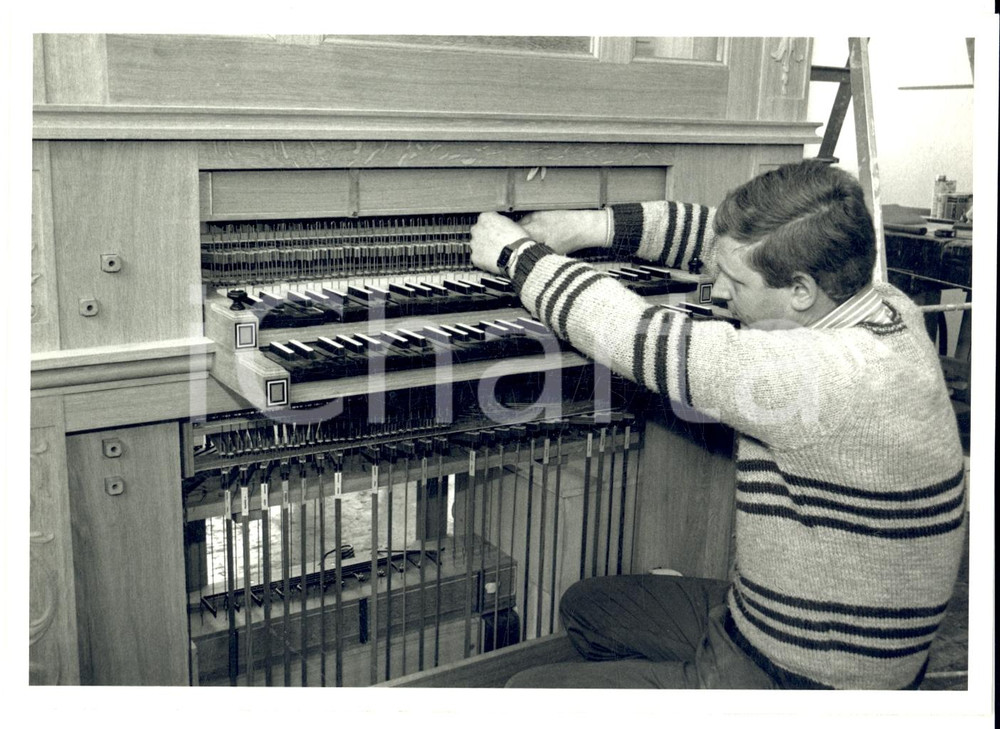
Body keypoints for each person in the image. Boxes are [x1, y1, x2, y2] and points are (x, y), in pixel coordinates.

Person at [467, 160, 967, 690]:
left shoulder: (816, 375)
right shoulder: (885, 303)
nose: (719, 291)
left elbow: (634, 334)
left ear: (800, 289)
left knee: (525, 692)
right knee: (588, 607)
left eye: (735, 282)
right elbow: (724, 240)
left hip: (803, 680)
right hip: (784, 630)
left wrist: (516, 256)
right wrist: (591, 227)